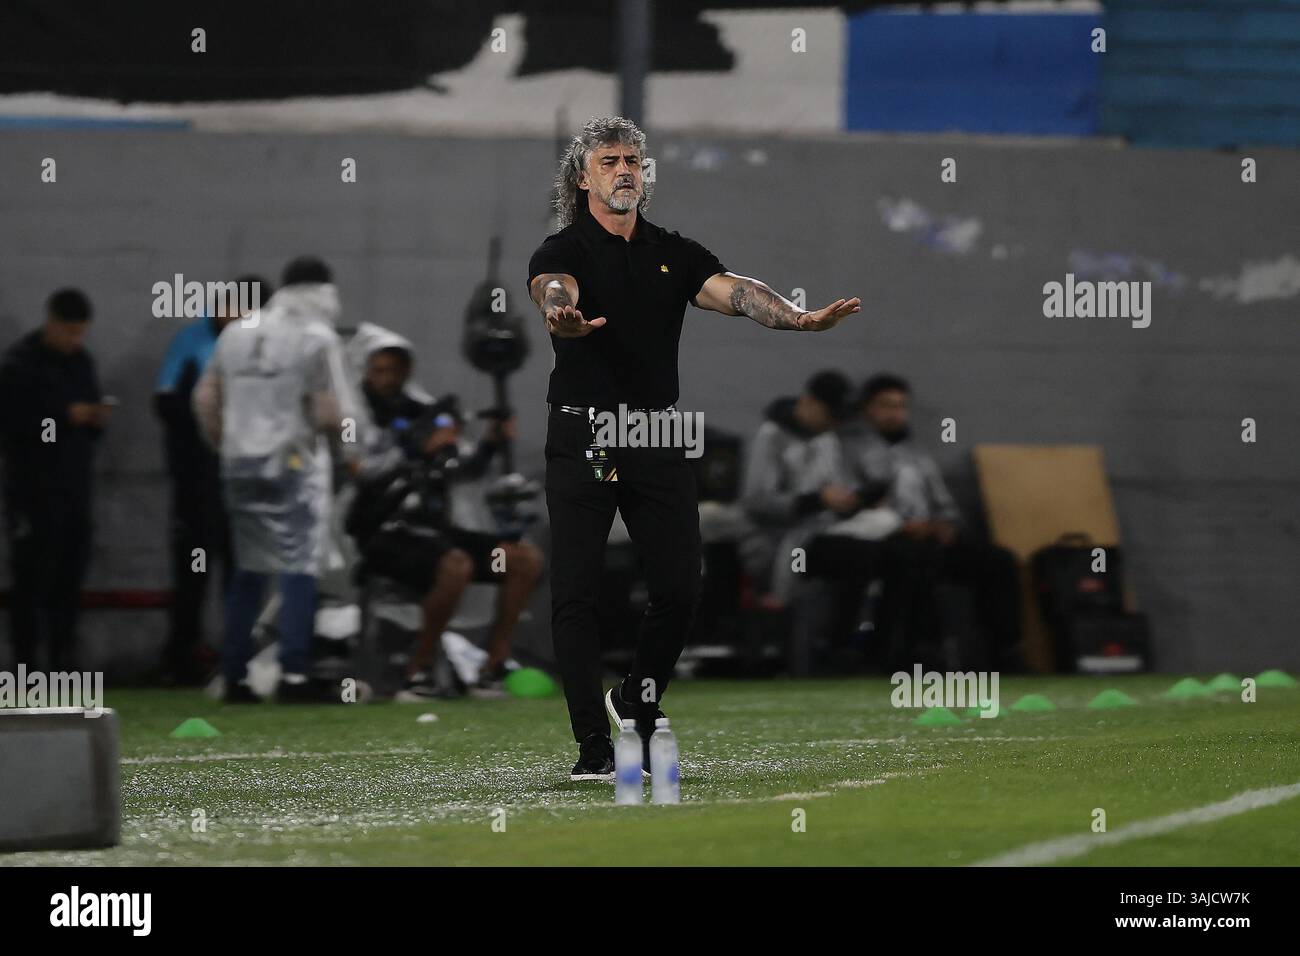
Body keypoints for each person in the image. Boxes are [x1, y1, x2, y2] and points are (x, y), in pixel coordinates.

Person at [526, 115, 860, 780]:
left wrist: (794, 317)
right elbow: (552, 290)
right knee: (577, 594)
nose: (625, 170)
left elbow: (736, 292)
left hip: (654, 431)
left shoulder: (673, 252)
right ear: (584, 176)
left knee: (681, 586)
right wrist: (559, 314)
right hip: (585, 432)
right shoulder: (562, 252)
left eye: (633, 161)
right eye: (612, 161)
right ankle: (593, 745)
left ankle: (635, 702)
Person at [192, 256, 360, 703]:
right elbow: (330, 411)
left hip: (239, 463)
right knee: (298, 569)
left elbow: (206, 399)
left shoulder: (235, 333)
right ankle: (294, 674)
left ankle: (234, 674)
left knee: (248, 568)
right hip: (293, 465)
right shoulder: (316, 336)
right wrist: (347, 456)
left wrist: (228, 445)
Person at [346, 324, 542, 700]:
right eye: (379, 370)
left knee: (521, 560)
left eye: (395, 370)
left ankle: (491, 667)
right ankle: (417, 673)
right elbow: (359, 472)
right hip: (384, 534)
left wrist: (488, 444)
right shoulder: (353, 416)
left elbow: (459, 470)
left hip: (431, 530)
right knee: (454, 564)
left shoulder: (422, 408)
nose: (387, 379)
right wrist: (417, 448)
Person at [839, 373, 1022, 670]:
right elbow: (849, 503)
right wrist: (900, 524)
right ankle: (916, 652)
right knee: (914, 560)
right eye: (885, 405)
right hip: (884, 540)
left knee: (998, 560)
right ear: (868, 409)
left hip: (929, 537)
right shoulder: (851, 450)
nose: (894, 412)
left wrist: (946, 525)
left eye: (900, 406)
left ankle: (1007, 651)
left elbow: (945, 505)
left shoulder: (917, 455)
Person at [153, 274, 271, 685]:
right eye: (234, 308)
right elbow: (167, 404)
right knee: (193, 567)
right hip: (200, 479)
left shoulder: (263, 343)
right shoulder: (193, 340)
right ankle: (180, 656)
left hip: (246, 477)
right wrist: (211, 440)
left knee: (242, 567)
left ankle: (237, 657)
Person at [0, 289, 110, 671]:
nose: (75, 341)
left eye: (81, 333)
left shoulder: (81, 363)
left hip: (75, 488)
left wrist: (94, 419)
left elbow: (89, 427)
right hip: (32, 491)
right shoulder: (19, 365)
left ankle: (64, 661)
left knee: (69, 578)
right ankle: (26, 666)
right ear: (51, 322)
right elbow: (16, 429)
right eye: (69, 332)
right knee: (31, 580)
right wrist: (64, 417)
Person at [740, 369, 864, 606]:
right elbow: (756, 501)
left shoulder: (826, 438)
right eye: (830, 415)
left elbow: (837, 485)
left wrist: (850, 500)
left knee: (868, 551)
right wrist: (817, 500)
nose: (833, 424)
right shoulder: (772, 436)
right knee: (852, 556)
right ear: (809, 402)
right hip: (773, 538)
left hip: (816, 531)